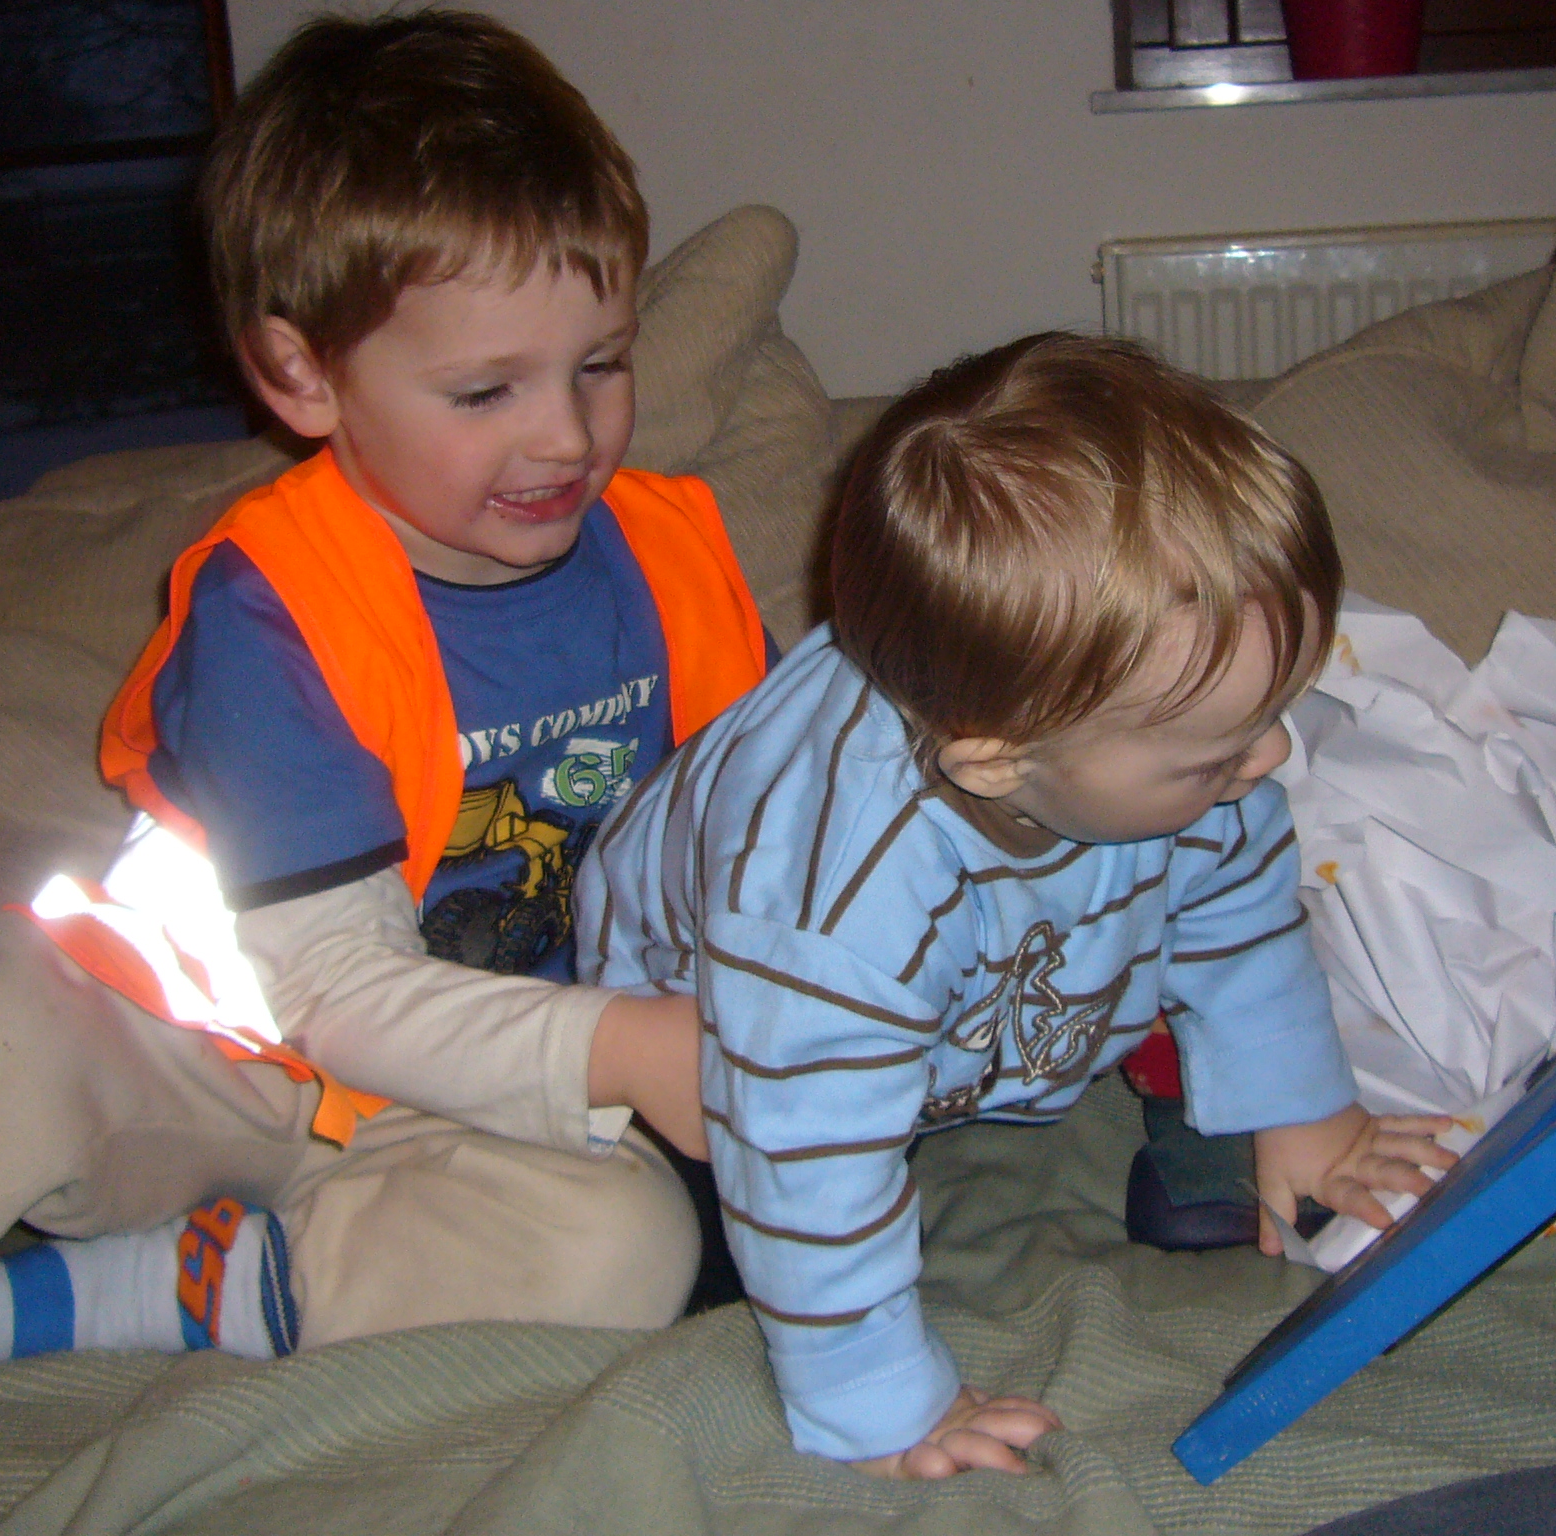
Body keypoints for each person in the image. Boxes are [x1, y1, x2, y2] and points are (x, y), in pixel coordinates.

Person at [0, 9, 762, 1386]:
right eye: (485, 390)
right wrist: (626, 1047)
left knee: (619, 1248)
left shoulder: (680, 560)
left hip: (470, 1094)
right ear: (301, 375)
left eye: (600, 363)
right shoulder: (274, 611)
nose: (565, 435)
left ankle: (192, 1289)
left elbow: (786, 836)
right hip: (207, 1051)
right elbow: (330, 992)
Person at [574, 332, 1456, 1478]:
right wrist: (882, 1405)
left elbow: (1238, 903)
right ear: (995, 762)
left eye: (1271, 713)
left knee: (1183, 872)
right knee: (718, 1228)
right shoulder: (833, 905)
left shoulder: (1170, 757)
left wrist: (1305, 1114)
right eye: (1215, 753)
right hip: (714, 1044)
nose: (1272, 757)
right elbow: (806, 1165)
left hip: (964, 968)